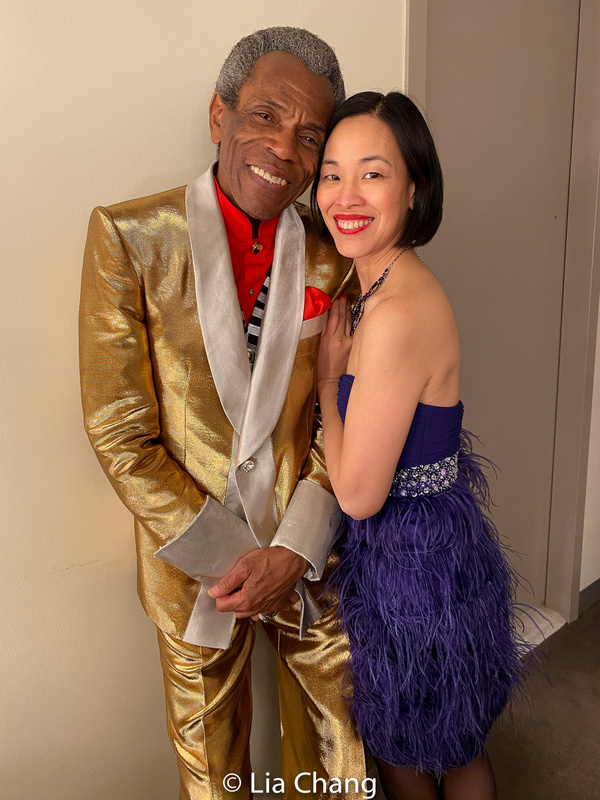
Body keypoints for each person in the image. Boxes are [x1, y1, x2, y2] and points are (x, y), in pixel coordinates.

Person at [79, 27, 366, 800]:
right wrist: (238, 562)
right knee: (214, 775)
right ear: (219, 115)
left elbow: (342, 413)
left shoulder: (339, 256)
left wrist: (295, 551)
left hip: (312, 556)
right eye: (266, 116)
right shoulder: (128, 238)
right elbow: (119, 431)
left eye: (310, 136)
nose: (285, 148)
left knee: (345, 757)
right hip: (194, 567)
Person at [313, 91, 524, 800]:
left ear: (415, 187)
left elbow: (358, 493)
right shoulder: (384, 284)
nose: (346, 194)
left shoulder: (395, 312)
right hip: (436, 545)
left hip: (413, 565)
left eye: (372, 173)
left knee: (409, 750)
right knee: (454, 740)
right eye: (332, 173)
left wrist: (326, 381)